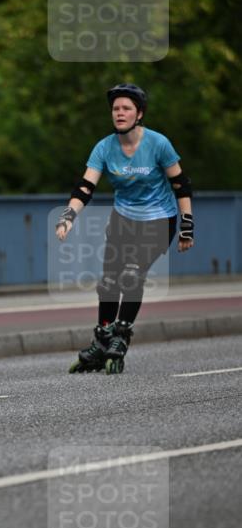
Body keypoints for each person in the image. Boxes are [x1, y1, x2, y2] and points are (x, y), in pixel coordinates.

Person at [56, 82, 194, 374]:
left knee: (131, 274)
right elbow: (85, 187)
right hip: (123, 220)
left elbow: (181, 185)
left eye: (126, 108)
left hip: (159, 220)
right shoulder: (104, 147)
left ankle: (121, 336)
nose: (119, 113)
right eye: (115, 109)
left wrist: (187, 226)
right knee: (108, 282)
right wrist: (69, 215)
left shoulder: (158, 144)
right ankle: (102, 338)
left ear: (139, 114)